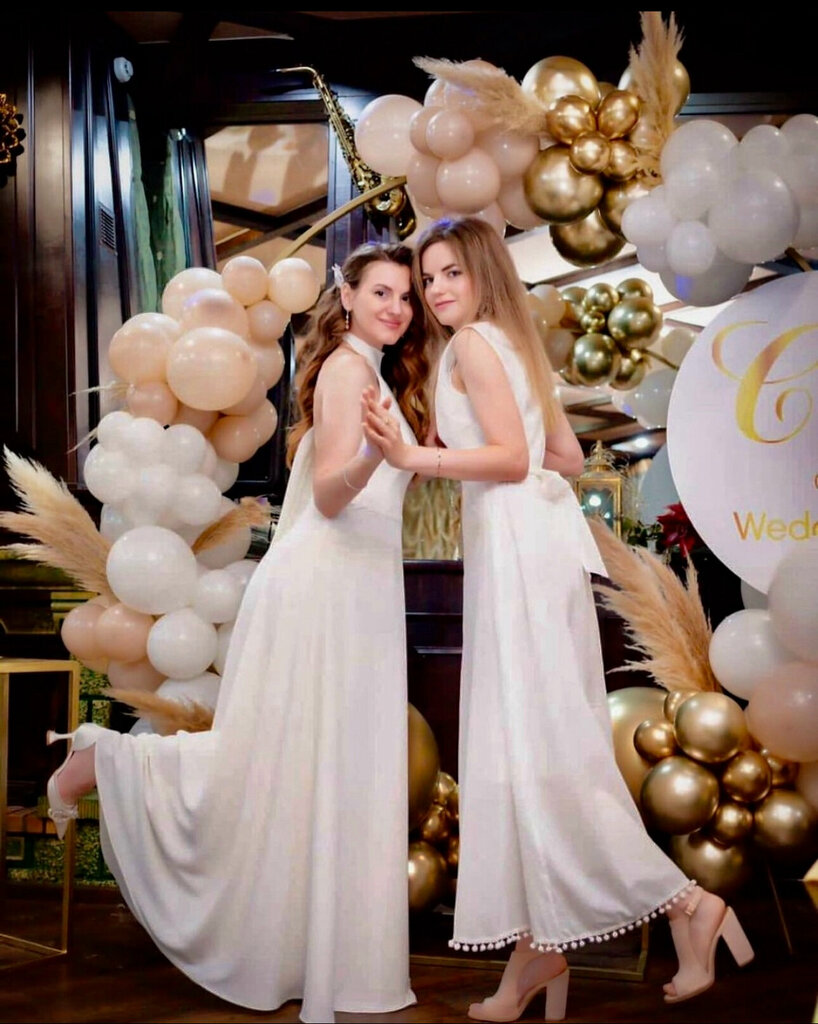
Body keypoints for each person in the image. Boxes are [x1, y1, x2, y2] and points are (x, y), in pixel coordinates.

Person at [362, 216, 755, 1022]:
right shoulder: (514, 343)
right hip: (537, 552)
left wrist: (416, 456)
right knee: (537, 748)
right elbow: (566, 459)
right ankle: (539, 948)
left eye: (451, 274)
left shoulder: (475, 345)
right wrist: (467, 447)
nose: (436, 291)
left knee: (533, 747)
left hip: (516, 556)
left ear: (483, 274)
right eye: (428, 278)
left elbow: (512, 459)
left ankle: (686, 906)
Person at [44, 241, 431, 1023]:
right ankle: (103, 761)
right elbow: (331, 494)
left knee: (298, 768)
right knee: (272, 762)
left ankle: (313, 955)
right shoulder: (349, 371)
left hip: (355, 587)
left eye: (405, 296)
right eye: (381, 292)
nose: (396, 307)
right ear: (347, 297)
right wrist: (384, 456)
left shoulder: (375, 372)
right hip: (325, 585)